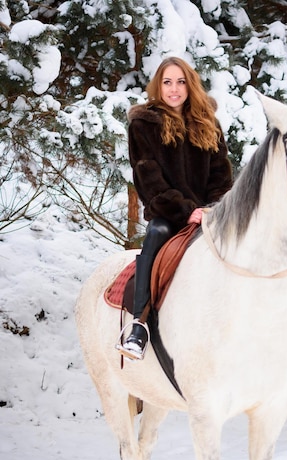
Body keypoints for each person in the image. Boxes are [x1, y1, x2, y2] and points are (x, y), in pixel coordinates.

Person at [117, 57, 233, 360]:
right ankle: (139, 325)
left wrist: (213, 208)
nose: (174, 88)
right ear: (158, 86)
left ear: (190, 84)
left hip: (210, 214)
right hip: (169, 214)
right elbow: (148, 179)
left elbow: (221, 175)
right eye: (167, 82)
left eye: (181, 81)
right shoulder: (144, 124)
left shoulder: (208, 122)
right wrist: (186, 211)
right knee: (154, 236)